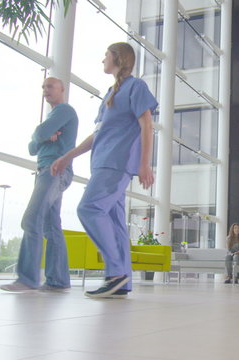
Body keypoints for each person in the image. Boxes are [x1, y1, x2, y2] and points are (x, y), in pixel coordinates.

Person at [51, 42, 158, 299]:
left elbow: (147, 126)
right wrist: (67, 156)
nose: (102, 60)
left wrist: (145, 164)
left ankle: (116, 273)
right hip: (102, 162)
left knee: (89, 209)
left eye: (106, 56)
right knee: (114, 222)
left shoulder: (136, 86)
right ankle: (122, 282)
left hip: (116, 162)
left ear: (119, 58)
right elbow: (96, 134)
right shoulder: (110, 93)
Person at [0, 78, 78, 292]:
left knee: (32, 219)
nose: (45, 90)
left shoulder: (65, 111)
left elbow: (39, 135)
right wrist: (42, 136)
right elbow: (31, 148)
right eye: (43, 87)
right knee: (51, 227)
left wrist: (42, 135)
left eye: (50, 86)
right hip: (46, 170)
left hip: (55, 169)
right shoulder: (53, 117)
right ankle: (58, 280)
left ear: (62, 89)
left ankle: (27, 279)